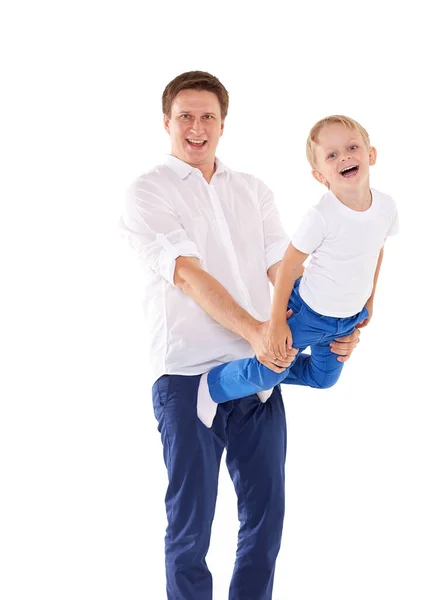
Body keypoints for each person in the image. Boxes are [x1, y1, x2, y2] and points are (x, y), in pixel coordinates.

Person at [121, 72, 361, 600]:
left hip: (258, 377)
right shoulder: (148, 192)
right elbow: (186, 274)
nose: (197, 127)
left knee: (265, 528)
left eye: (208, 116)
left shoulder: (253, 190)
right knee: (190, 533)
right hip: (188, 378)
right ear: (167, 122)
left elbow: (285, 274)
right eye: (185, 115)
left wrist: (329, 332)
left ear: (223, 123)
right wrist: (256, 329)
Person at [197, 115, 399, 425]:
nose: (344, 156)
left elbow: (377, 250)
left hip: (345, 319)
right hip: (307, 312)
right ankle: (213, 385)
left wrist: (369, 302)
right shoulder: (322, 215)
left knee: (324, 380)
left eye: (352, 147)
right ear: (321, 175)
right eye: (332, 155)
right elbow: (290, 265)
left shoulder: (386, 207)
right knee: (265, 375)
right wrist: (277, 323)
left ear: (371, 155)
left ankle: (265, 370)